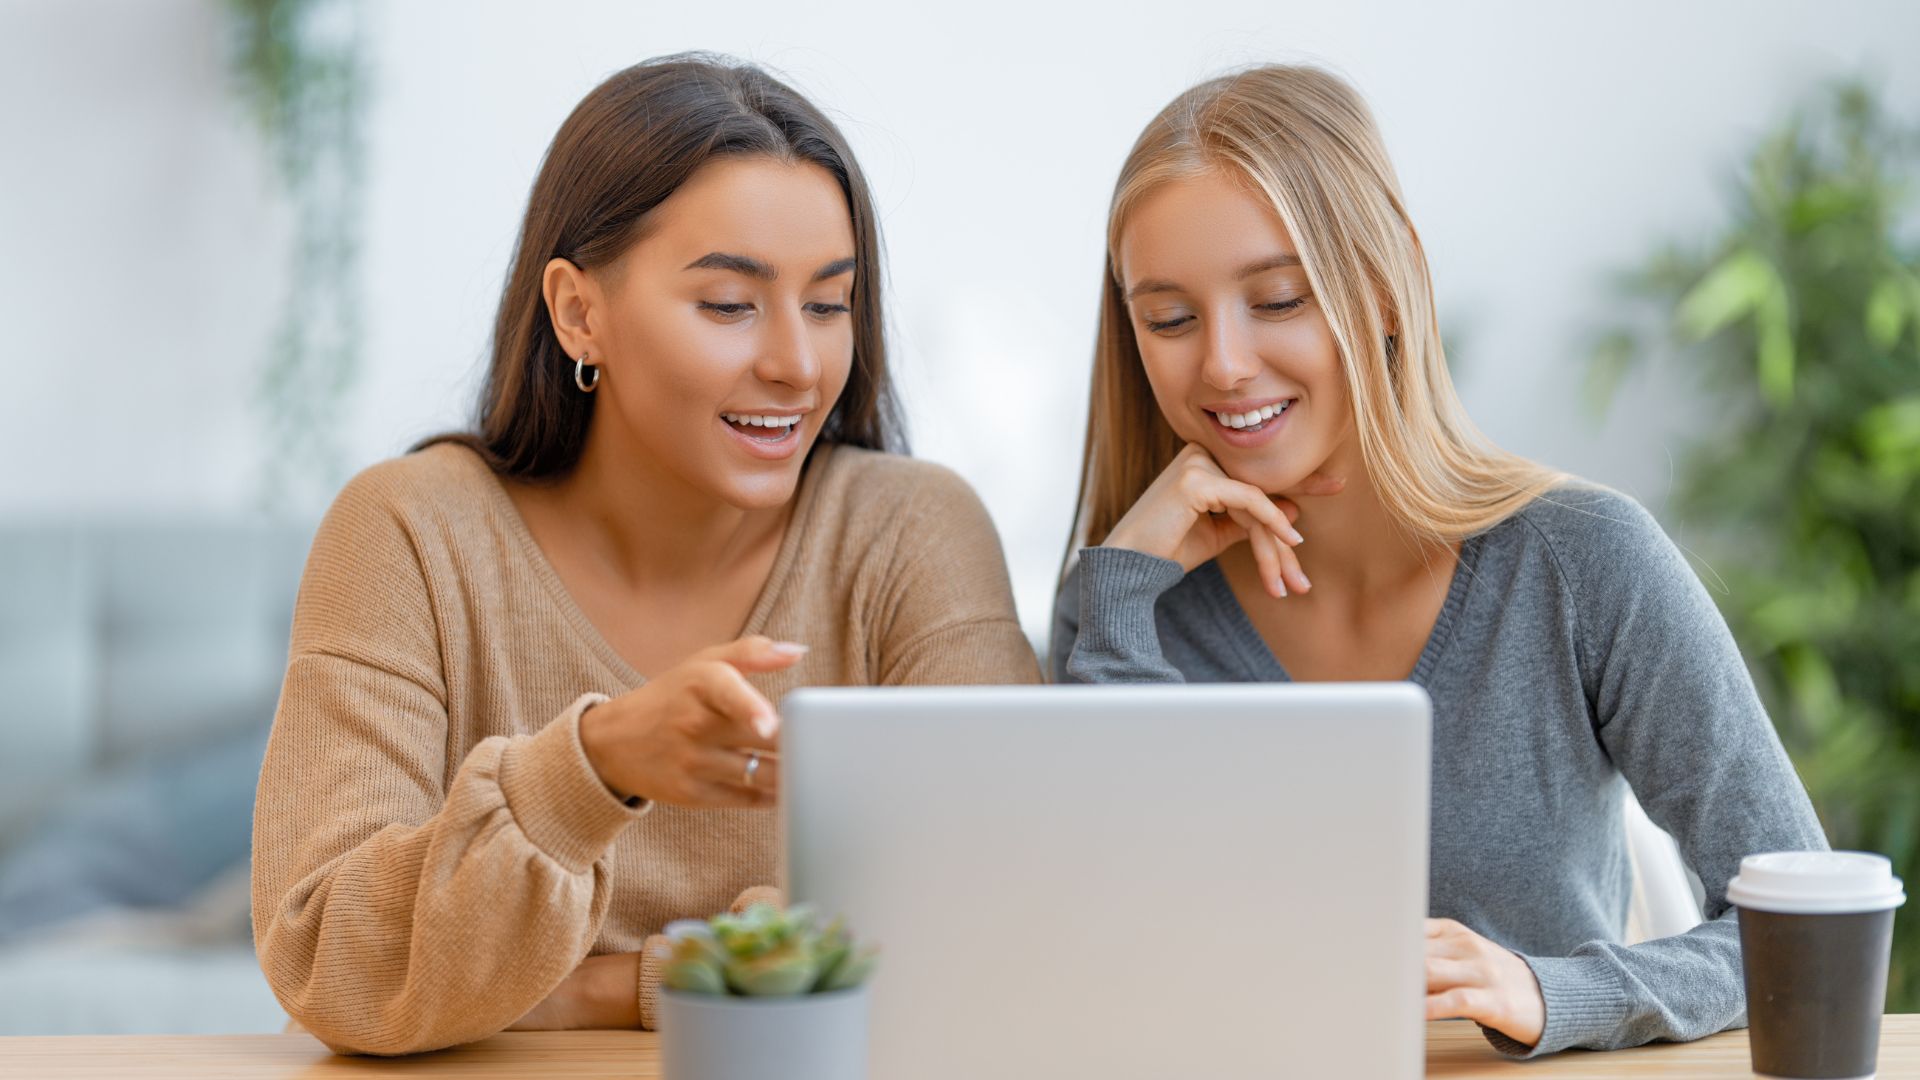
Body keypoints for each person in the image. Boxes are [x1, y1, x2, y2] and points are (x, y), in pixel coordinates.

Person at [252, 54, 1038, 1056]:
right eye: (729, 305)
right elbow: (330, 965)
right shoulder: (410, 531)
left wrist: (593, 990)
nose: (797, 365)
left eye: (830, 304)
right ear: (580, 311)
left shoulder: (912, 533)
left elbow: (987, 920)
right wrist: (591, 767)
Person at [1050, 64, 1827, 1057]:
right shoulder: (1124, 600)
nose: (1224, 363)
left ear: (1383, 287)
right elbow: (1091, 958)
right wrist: (1121, 591)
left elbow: (1801, 929)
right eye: (1169, 318)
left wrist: (1553, 991)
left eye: (1279, 298)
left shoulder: (1584, 564)